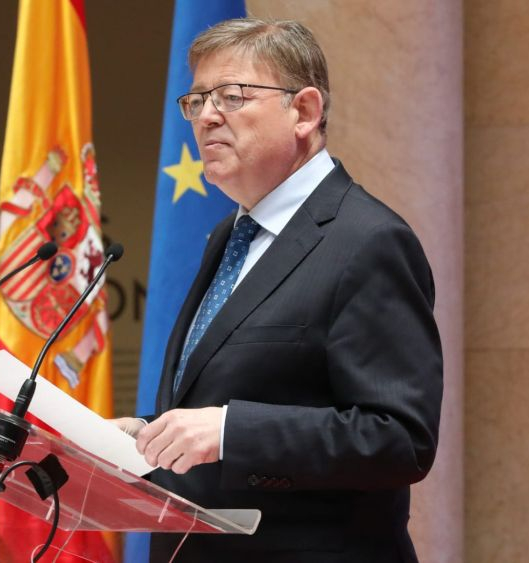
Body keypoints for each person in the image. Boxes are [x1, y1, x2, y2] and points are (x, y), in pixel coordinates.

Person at [115, 18, 443, 562]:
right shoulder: (230, 235)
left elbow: (399, 438)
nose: (206, 117)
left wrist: (230, 432)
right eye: (196, 101)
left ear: (305, 111)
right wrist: (142, 432)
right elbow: (229, 400)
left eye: (231, 96)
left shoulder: (368, 240)